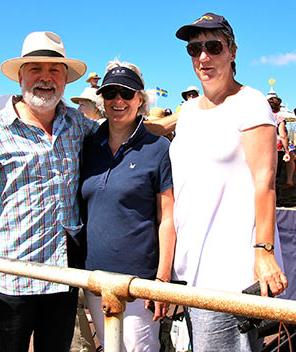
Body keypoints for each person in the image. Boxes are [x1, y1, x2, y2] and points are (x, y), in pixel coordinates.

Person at [0, 31, 98, 352]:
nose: (45, 78)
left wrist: (182, 119)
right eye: (35, 69)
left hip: (63, 275)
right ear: (20, 76)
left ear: (65, 79)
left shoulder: (78, 124)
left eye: (54, 70)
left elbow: (122, 132)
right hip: (12, 278)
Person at [170, 13, 287, 352]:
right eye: (194, 49)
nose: (203, 57)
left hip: (229, 272)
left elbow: (265, 182)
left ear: (232, 51)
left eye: (213, 46)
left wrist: (264, 253)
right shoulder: (189, 111)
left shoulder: (250, 104)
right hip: (192, 269)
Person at [80, 60, 175, 351]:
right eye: (111, 93)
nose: (118, 100)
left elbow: (168, 218)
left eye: (127, 93)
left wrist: (162, 281)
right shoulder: (87, 145)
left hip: (139, 283)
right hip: (95, 280)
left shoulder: (158, 149)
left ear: (140, 100)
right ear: (102, 100)